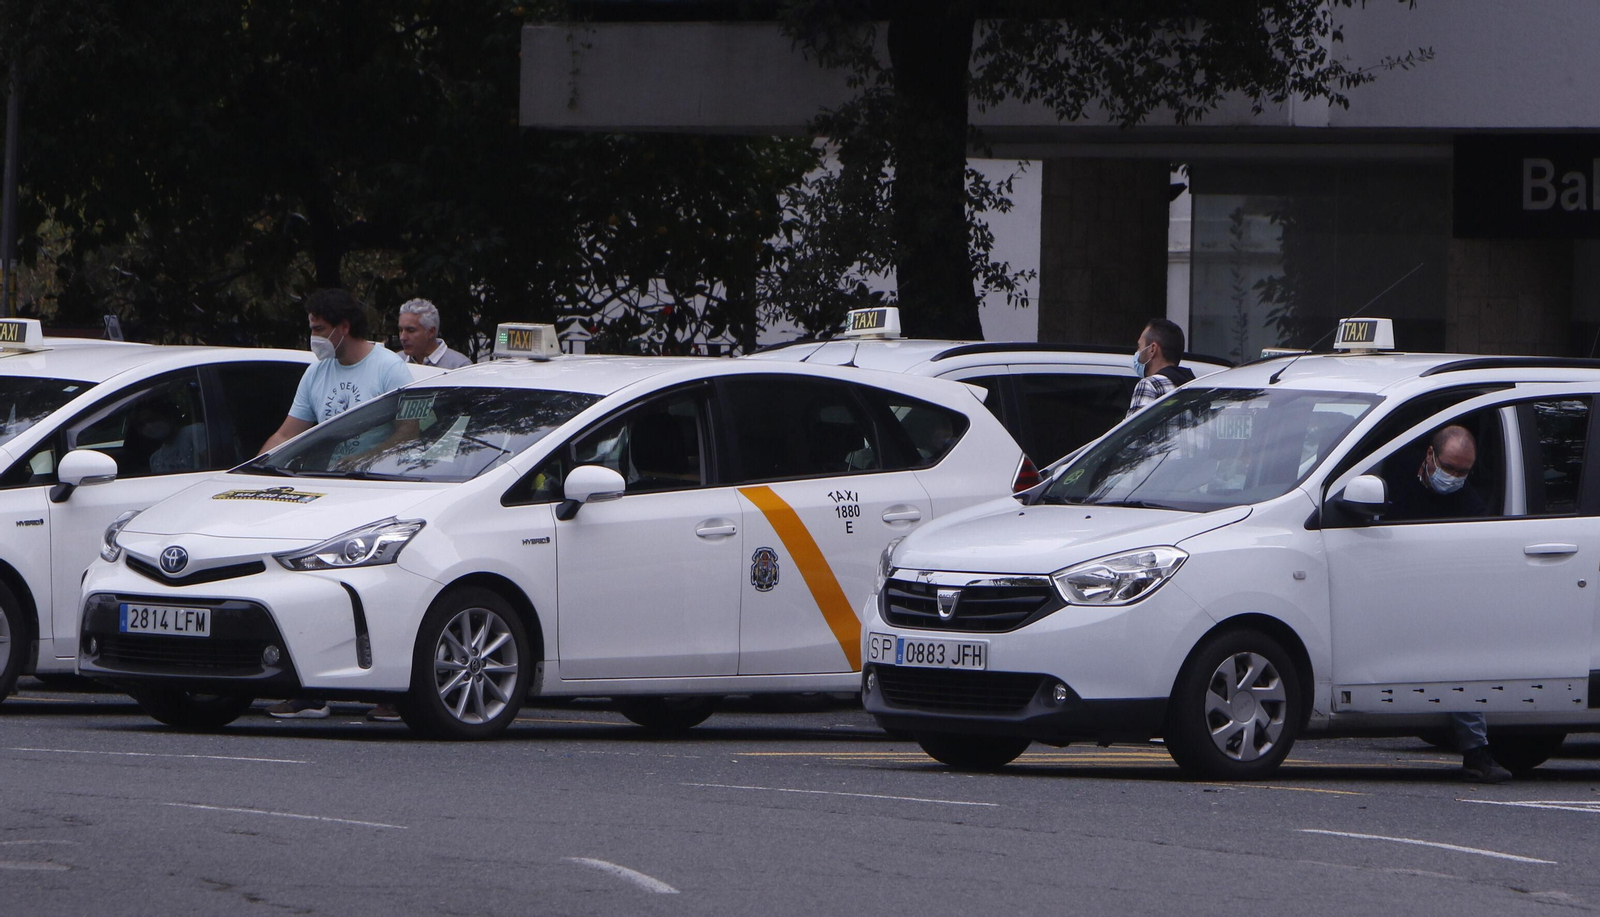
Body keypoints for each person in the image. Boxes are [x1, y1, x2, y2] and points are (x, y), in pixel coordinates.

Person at [260, 289, 412, 721]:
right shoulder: (317, 373)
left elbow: (411, 431)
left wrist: (365, 458)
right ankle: (308, 690)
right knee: (304, 588)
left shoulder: (389, 368)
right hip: (323, 494)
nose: (315, 338)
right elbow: (290, 432)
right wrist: (258, 465)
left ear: (344, 328)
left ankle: (390, 694)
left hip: (378, 496)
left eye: (320, 329)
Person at [1381, 423, 1511, 784]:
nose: (1453, 477)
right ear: (1429, 456)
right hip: (1382, 583)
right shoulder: (1393, 468)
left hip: (1438, 595)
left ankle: (1476, 750)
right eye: (1449, 467)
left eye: (1463, 472)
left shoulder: (1470, 505)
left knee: (1460, 655)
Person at [1126, 318, 1196, 418]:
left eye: (1139, 346)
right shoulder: (1193, 388)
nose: (1137, 352)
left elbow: (1134, 432)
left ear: (1152, 349)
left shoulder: (1149, 385)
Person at [397, 298, 472, 369]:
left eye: (411, 330)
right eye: (400, 330)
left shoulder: (459, 366)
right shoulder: (395, 362)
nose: (402, 337)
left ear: (431, 332)